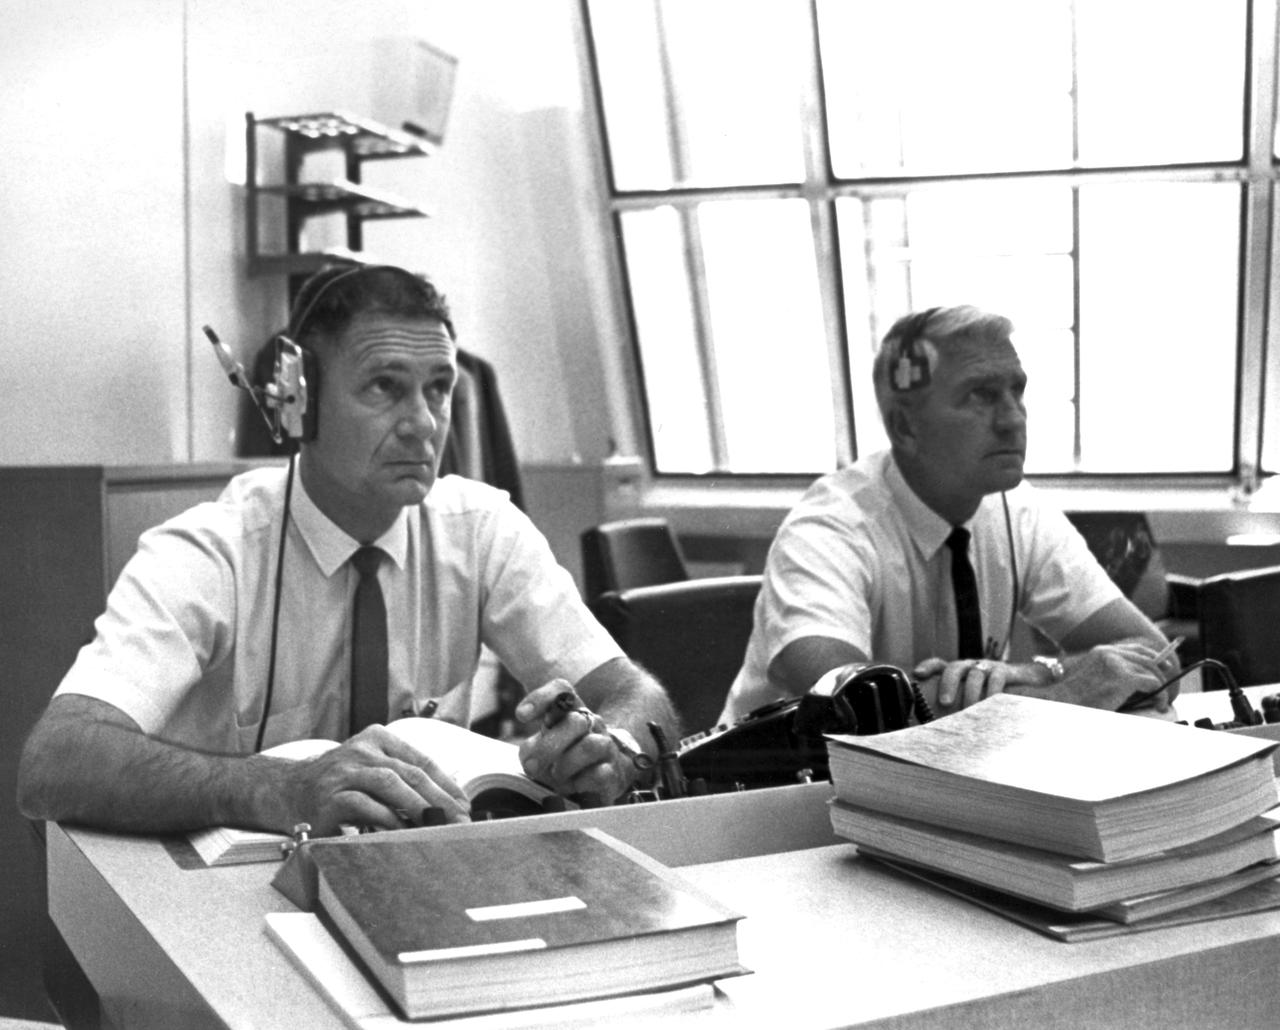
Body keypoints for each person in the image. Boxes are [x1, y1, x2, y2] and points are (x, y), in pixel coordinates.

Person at [17, 263, 677, 837]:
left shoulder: (481, 529)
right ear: (299, 406)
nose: (424, 423)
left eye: (439, 389)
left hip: (415, 878)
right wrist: (274, 787)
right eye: (385, 387)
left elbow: (635, 694)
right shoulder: (208, 553)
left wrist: (613, 747)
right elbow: (54, 762)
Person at [718, 304, 1178, 725]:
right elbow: (855, 705)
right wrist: (1060, 690)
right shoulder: (829, 528)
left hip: (938, 778)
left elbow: (1156, 659)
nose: (1013, 419)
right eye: (980, 395)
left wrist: (1036, 673)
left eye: (1016, 391)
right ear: (904, 426)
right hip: (769, 796)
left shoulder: (1018, 510)